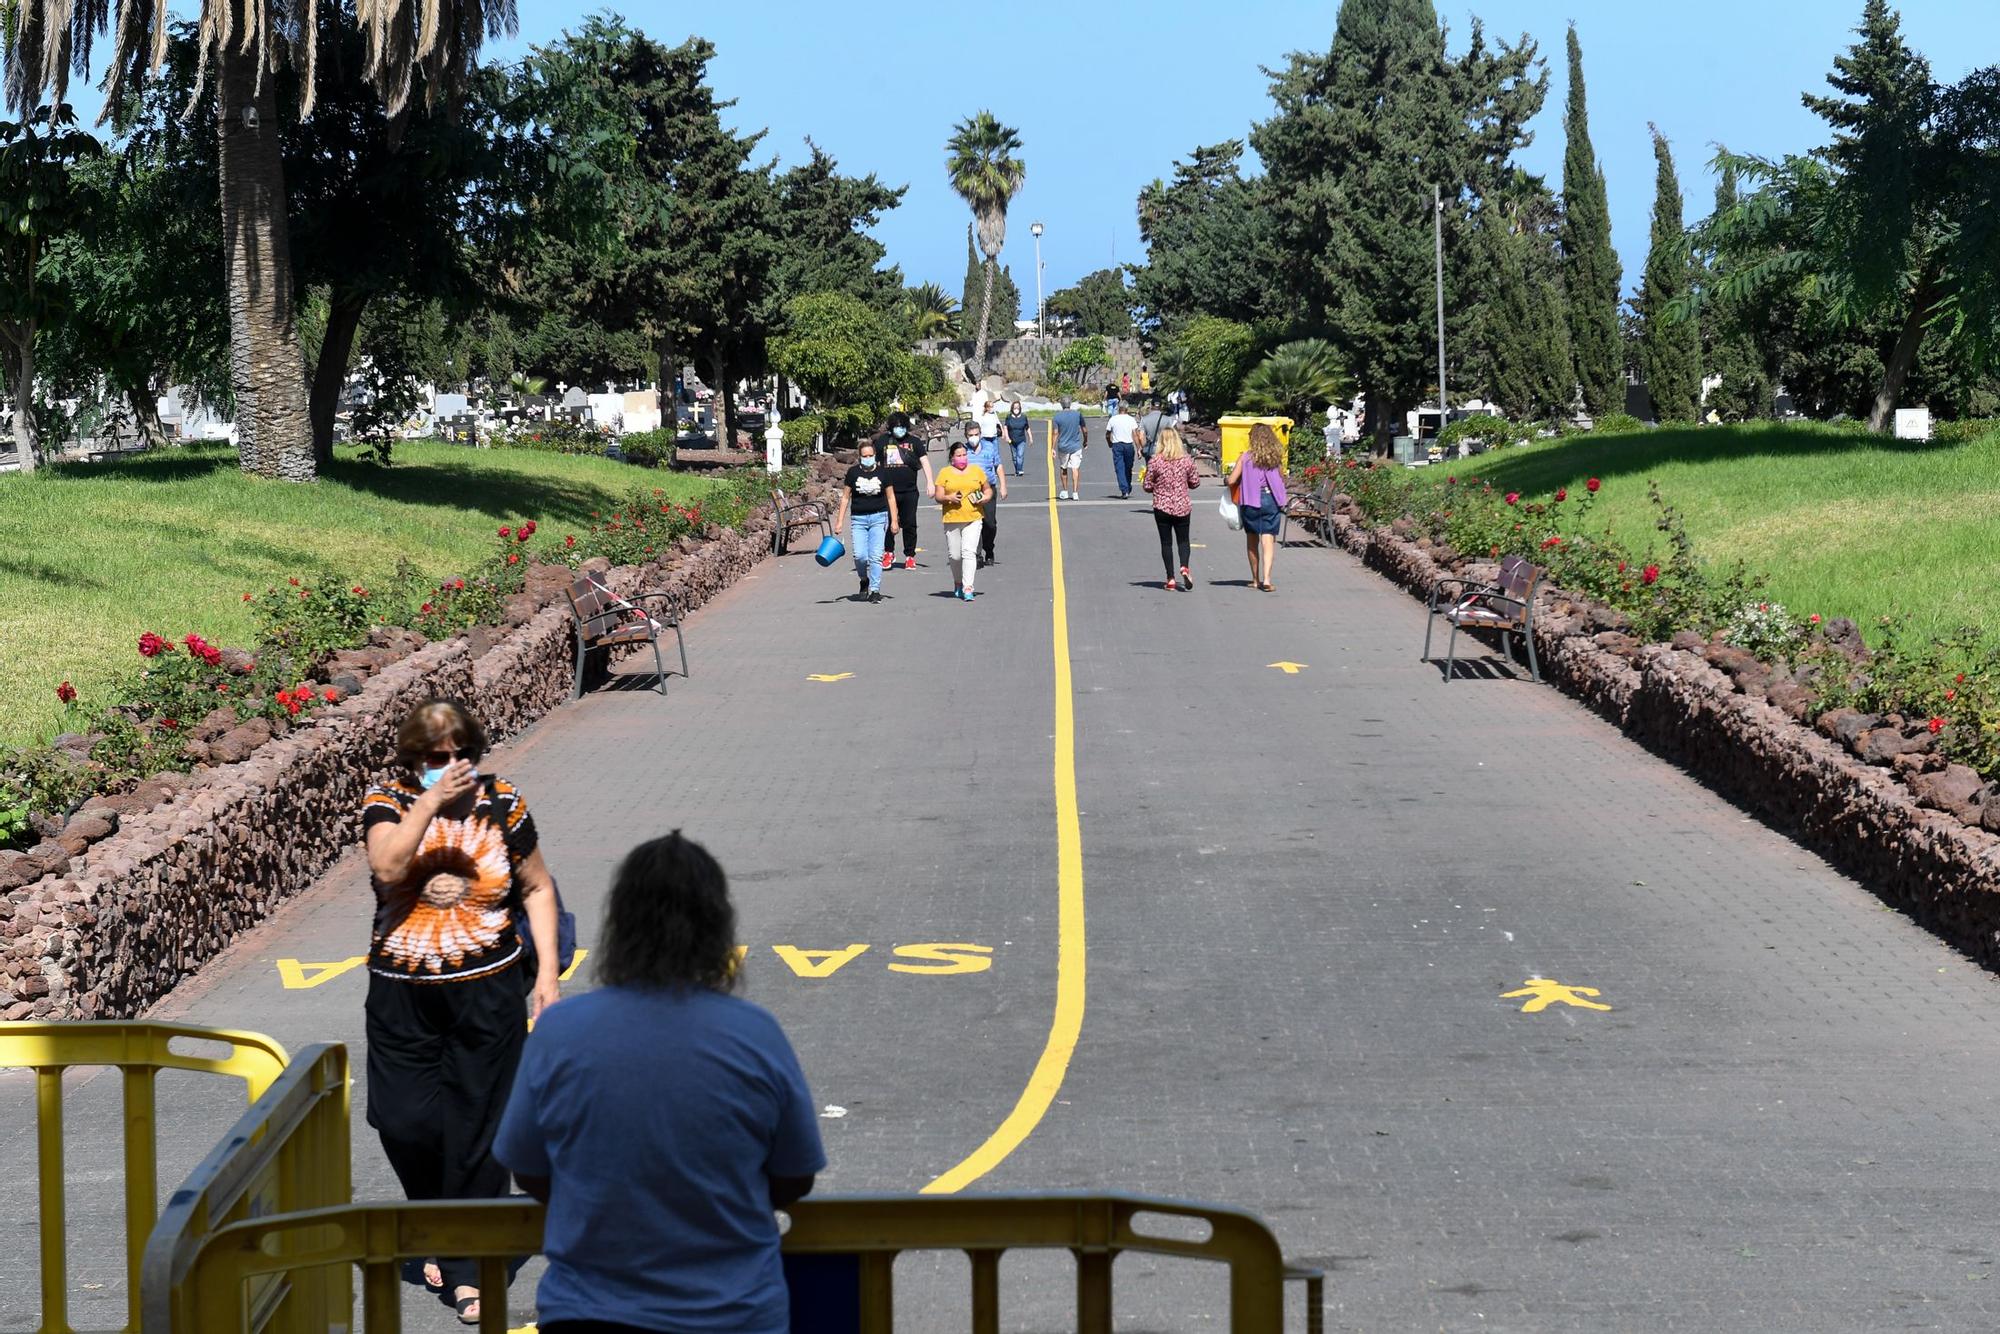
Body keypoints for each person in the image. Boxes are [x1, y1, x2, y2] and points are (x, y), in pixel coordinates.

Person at [495, 832, 825, 1334]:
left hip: (590, 1310)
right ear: (716, 927)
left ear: (621, 926)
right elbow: (795, 1174)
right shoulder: (755, 1033)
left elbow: (528, 1168)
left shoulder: (560, 1032)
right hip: (732, 1313)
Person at [363, 699, 562, 1326]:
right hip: (402, 992)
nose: (450, 767)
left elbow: (537, 887)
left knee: (480, 1126)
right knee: (404, 1123)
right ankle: (434, 1226)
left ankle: (470, 1268)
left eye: (460, 756)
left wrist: (549, 979)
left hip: (489, 990)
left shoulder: (502, 801)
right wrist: (429, 802)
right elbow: (388, 865)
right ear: (412, 759)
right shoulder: (388, 802)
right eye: (434, 758)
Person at [1225, 421, 1289, 593]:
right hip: (1270, 499)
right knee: (1268, 541)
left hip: (1251, 500)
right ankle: (1267, 579)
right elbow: (1282, 478)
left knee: (1252, 540)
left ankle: (1255, 579)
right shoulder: (1274, 458)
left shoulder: (1245, 457)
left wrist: (1229, 480)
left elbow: (1231, 480)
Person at [834, 438, 899, 603]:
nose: (868, 458)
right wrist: (840, 521)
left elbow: (891, 497)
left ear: (875, 455)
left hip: (879, 517)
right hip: (858, 519)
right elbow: (845, 498)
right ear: (860, 456)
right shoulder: (853, 473)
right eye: (865, 455)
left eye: (870, 455)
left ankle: (875, 590)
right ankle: (864, 579)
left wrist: (894, 521)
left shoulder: (884, 473)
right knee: (860, 556)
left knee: (876, 556)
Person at [1142, 427, 1201, 591]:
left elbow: (1147, 485)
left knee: (1166, 542)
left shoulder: (1155, 461)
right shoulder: (1186, 460)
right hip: (1182, 505)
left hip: (1162, 506)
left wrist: (1156, 486)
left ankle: (1170, 578)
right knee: (1183, 540)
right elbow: (1195, 483)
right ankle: (1184, 566)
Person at [933, 440, 990, 600]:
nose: (962, 458)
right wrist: (948, 497)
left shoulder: (976, 471)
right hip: (952, 519)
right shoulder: (945, 473)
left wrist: (984, 498)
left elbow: (987, 490)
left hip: (973, 517)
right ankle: (958, 582)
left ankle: (968, 587)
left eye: (965, 455)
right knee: (955, 555)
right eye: (959, 455)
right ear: (952, 457)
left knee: (969, 552)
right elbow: (938, 496)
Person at [876, 411, 931, 571]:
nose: (899, 429)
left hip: (909, 491)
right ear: (891, 427)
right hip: (887, 491)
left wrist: (930, 483)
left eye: (901, 426)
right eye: (896, 426)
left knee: (909, 524)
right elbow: (876, 463)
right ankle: (888, 553)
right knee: (886, 523)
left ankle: (910, 556)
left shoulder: (914, 442)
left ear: (906, 427)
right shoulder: (882, 441)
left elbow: (924, 462)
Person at [966, 421, 1008, 567]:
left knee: (989, 523)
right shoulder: (963, 451)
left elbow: (998, 466)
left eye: (976, 434)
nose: (973, 438)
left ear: (980, 434)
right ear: (966, 436)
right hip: (971, 492)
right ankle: (977, 555)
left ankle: (989, 549)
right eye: (970, 435)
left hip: (988, 490)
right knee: (974, 523)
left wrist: (1003, 486)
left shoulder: (990, 448)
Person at [1052, 397, 1086, 500]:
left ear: (1061, 404)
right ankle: (1075, 492)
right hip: (1076, 446)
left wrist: (1052, 448)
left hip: (1063, 446)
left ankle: (1065, 490)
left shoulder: (1057, 417)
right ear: (1070, 404)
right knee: (1075, 468)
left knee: (1064, 467)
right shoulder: (1077, 414)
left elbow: (1055, 433)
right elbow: (1084, 429)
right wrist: (1085, 440)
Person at [1105, 402, 1141, 498]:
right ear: (1127, 409)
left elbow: (1108, 433)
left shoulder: (1113, 419)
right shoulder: (1131, 420)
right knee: (1127, 468)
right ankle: (1126, 488)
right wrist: (1138, 449)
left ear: (1118, 409)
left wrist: (1109, 443)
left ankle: (1125, 489)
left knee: (1120, 468)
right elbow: (1135, 434)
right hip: (1128, 445)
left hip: (1117, 445)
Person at [1003, 400, 1032, 476]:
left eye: (1018, 407)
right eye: (1015, 407)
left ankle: (1020, 470)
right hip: (1012, 440)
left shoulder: (1023, 417)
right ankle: (1017, 470)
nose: (1016, 409)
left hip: (1021, 439)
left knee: (1020, 455)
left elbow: (1027, 428)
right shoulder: (1009, 417)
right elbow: (1005, 427)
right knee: (1014, 457)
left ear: (1020, 408)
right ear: (1012, 408)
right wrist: (1007, 437)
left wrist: (1030, 438)